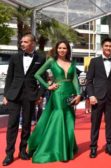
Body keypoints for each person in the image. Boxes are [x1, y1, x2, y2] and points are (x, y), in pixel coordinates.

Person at [27, 40, 81, 163]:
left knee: (69, 118)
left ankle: (66, 147)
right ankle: (58, 151)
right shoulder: (51, 61)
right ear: (56, 49)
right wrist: (48, 86)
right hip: (58, 92)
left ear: (68, 50)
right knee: (59, 115)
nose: (62, 50)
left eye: (64, 48)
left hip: (70, 93)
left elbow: (75, 79)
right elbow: (37, 74)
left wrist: (78, 94)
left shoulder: (71, 62)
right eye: (60, 48)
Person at [2, 34, 46, 166]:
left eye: (25, 42)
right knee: (12, 125)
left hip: (30, 95)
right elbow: (9, 77)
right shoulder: (15, 57)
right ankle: (9, 154)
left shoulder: (41, 58)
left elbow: (43, 78)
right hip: (14, 95)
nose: (22, 44)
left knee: (27, 125)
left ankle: (22, 151)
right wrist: (5, 95)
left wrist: (40, 95)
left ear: (33, 43)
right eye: (21, 42)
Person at [86, 37, 111, 158]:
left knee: (110, 124)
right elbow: (89, 81)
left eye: (110, 46)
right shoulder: (94, 61)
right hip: (97, 98)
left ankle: (109, 146)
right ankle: (93, 147)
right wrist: (91, 95)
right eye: (106, 46)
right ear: (102, 47)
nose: (108, 48)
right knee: (95, 124)